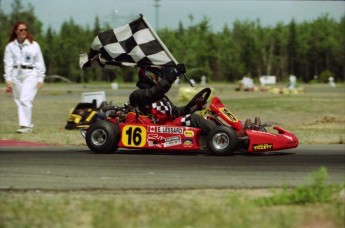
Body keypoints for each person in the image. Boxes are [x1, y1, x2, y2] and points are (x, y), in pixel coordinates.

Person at [129, 64, 215, 137]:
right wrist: (175, 73)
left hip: (170, 127)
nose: (160, 79)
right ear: (148, 76)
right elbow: (156, 91)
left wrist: (194, 106)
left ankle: (220, 133)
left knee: (208, 119)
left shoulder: (162, 97)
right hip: (159, 130)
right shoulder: (138, 94)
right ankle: (220, 135)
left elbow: (175, 113)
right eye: (157, 76)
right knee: (194, 119)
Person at [3, 21, 46, 133]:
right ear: (16, 31)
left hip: (30, 74)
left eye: (25, 29)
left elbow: (39, 62)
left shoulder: (34, 45)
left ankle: (25, 126)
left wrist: (41, 78)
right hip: (16, 74)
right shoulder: (10, 46)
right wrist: (8, 79)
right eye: (21, 30)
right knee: (19, 100)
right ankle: (28, 125)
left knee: (25, 99)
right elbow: (7, 63)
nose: (24, 32)